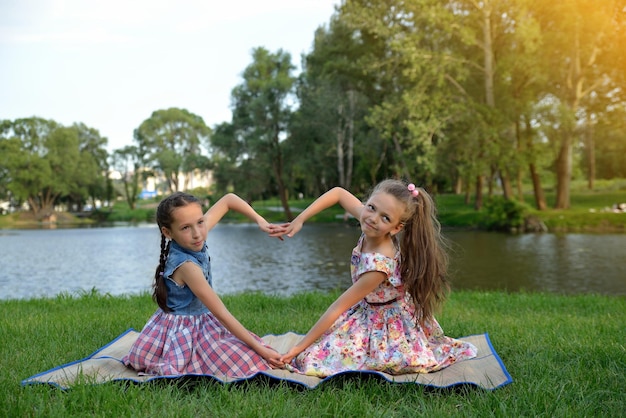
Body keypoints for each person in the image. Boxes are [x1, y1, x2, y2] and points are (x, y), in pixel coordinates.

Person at [275, 179, 477, 377]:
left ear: (396, 228)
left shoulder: (378, 265)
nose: (373, 218)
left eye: (386, 218)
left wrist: (299, 347)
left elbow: (338, 307)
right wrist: (300, 219)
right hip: (367, 309)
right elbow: (337, 193)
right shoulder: (370, 219)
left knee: (313, 358)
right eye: (371, 207)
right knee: (321, 350)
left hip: (386, 325)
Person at [123, 191, 285, 377]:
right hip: (184, 332)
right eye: (185, 228)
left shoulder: (195, 234)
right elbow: (221, 313)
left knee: (249, 353)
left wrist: (260, 220)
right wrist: (261, 350)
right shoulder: (187, 267)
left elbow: (229, 200)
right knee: (251, 362)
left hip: (203, 321)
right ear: (168, 232)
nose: (197, 234)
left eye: (200, 222)